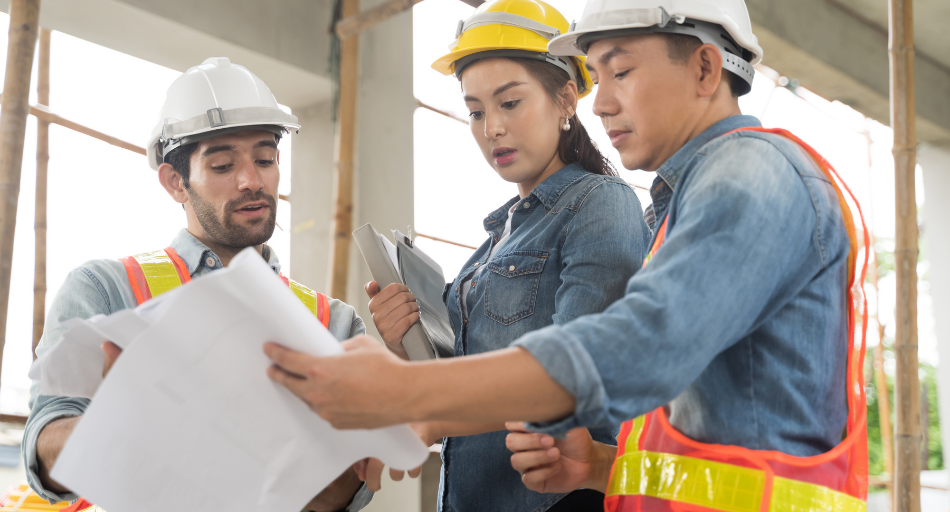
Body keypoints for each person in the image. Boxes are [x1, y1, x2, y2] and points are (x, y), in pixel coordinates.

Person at [263, 0, 869, 510]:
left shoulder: (749, 173)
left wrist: (410, 394)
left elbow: (637, 348)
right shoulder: (682, 203)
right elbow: (697, 443)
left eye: (620, 72)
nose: (601, 102)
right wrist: (599, 464)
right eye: (598, 78)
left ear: (706, 68)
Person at [25, 57, 372, 512]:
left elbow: (347, 491)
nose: (253, 181)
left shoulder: (335, 323)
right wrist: (126, 427)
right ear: (175, 183)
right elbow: (47, 440)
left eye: (265, 159)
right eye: (224, 165)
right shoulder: (106, 291)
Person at [360, 1, 649, 510]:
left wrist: (423, 413)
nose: (490, 127)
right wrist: (406, 344)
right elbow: (466, 379)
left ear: (565, 99)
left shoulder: (603, 203)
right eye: (475, 111)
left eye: (509, 103)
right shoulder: (492, 242)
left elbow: (577, 371)